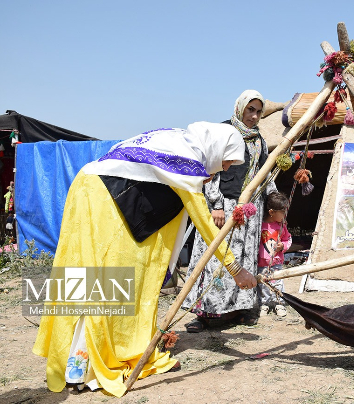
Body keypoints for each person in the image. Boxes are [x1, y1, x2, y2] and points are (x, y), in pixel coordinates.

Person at [32, 122, 257, 397]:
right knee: (105, 287)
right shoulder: (185, 158)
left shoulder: (175, 140)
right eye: (225, 161)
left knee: (92, 280)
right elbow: (202, 219)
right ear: (216, 148)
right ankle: (84, 370)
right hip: (104, 199)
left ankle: (77, 368)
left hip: (92, 188)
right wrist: (235, 268)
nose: (224, 169)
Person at [183, 90, 276, 331]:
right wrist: (215, 204)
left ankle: (238, 310)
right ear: (239, 108)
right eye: (250, 110)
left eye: (258, 111)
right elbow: (212, 168)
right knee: (217, 257)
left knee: (244, 257)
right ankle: (205, 314)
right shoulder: (224, 132)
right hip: (224, 206)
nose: (254, 116)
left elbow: (262, 172)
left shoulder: (260, 141)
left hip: (250, 210)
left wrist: (272, 199)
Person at [257, 191, 291, 317]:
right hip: (261, 262)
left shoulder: (281, 226)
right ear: (271, 212)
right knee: (263, 285)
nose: (285, 215)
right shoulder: (259, 226)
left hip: (276, 262)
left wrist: (283, 246)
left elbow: (288, 239)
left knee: (277, 283)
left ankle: (279, 304)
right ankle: (264, 304)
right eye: (282, 212)